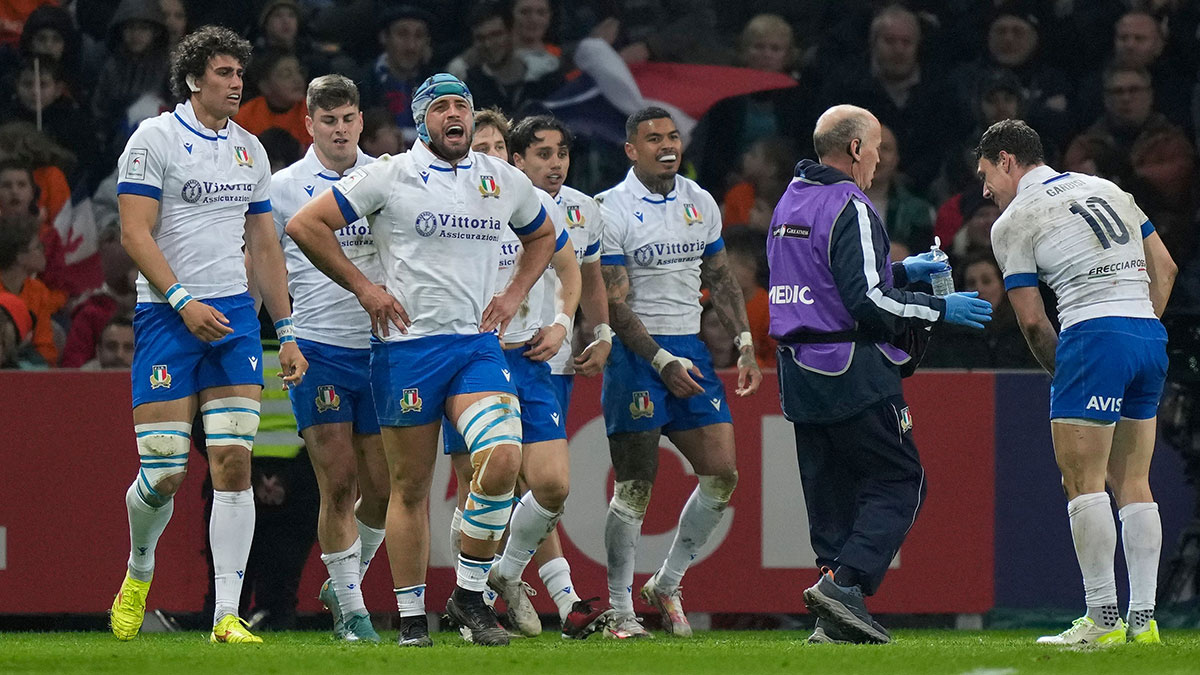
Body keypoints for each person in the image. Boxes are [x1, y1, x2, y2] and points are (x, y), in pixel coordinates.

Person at [286, 73, 558, 648]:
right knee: (409, 488)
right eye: (441, 107)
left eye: (462, 105)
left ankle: (467, 594)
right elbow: (305, 225)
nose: (455, 114)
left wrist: (513, 296)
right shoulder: (390, 173)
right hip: (407, 351)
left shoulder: (501, 179)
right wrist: (364, 288)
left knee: (504, 459)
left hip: (475, 346)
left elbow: (543, 237)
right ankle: (412, 620)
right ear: (421, 120)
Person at [107, 25, 307, 645]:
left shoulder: (250, 150)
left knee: (233, 462)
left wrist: (289, 328)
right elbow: (134, 234)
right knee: (164, 472)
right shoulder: (154, 139)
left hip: (235, 322)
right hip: (168, 317)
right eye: (223, 74)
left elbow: (266, 244)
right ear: (194, 79)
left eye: (238, 75)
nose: (234, 83)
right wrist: (181, 299)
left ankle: (226, 614)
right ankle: (140, 570)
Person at [766, 104, 992, 644]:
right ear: (853, 150)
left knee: (832, 494)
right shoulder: (852, 203)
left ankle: (832, 613)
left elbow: (823, 280)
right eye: (877, 149)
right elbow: (867, 301)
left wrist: (900, 269)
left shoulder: (790, 199)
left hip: (798, 373)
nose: (879, 160)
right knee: (898, 480)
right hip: (851, 371)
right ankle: (846, 588)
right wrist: (939, 308)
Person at [979, 118, 1178, 645]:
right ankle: (1145, 622)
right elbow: (1166, 266)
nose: (985, 191)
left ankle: (1100, 621)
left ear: (1006, 160)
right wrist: (1140, 326)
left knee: (1082, 482)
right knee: (1134, 481)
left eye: (986, 175)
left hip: (1093, 338)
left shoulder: (1014, 221)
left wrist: (1072, 369)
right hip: (1146, 337)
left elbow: (1031, 321)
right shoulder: (1109, 188)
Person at [597, 106, 762, 639]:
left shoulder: (700, 201)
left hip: (690, 348)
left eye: (673, 138)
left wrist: (743, 342)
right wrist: (660, 361)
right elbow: (616, 306)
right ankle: (621, 607)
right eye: (653, 139)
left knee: (722, 474)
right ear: (631, 149)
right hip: (637, 357)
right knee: (635, 488)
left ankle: (667, 582)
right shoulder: (612, 208)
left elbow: (721, 275)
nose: (667, 147)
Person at [270, 74, 388, 643]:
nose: (339, 129)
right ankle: (351, 612)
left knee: (386, 490)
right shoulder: (282, 187)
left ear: (360, 120)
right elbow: (263, 269)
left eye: (348, 119)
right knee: (338, 483)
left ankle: (346, 579)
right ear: (309, 124)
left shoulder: (388, 176)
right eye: (328, 121)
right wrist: (282, 335)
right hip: (318, 349)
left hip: (383, 351)